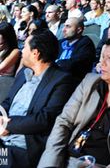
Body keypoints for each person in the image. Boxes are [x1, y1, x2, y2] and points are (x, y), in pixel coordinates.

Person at [38, 37, 110, 168]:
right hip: (67, 159)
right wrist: (51, 163)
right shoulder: (90, 82)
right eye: (102, 57)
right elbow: (64, 122)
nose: (102, 63)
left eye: (109, 58)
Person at [0, 29, 76, 168]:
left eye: (25, 48)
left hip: (23, 144)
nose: (22, 51)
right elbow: (7, 102)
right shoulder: (24, 73)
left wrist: (7, 125)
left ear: (35, 53)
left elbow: (44, 120)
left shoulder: (61, 80)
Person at [56, 17, 95, 81]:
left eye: (68, 26)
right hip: (57, 77)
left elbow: (74, 64)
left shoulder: (86, 43)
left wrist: (56, 63)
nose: (63, 30)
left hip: (73, 80)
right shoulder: (61, 42)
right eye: (64, 26)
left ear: (79, 30)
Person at [0, 22, 21, 102]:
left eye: (1, 44)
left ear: (8, 40)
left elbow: (1, 68)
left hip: (5, 82)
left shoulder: (15, 52)